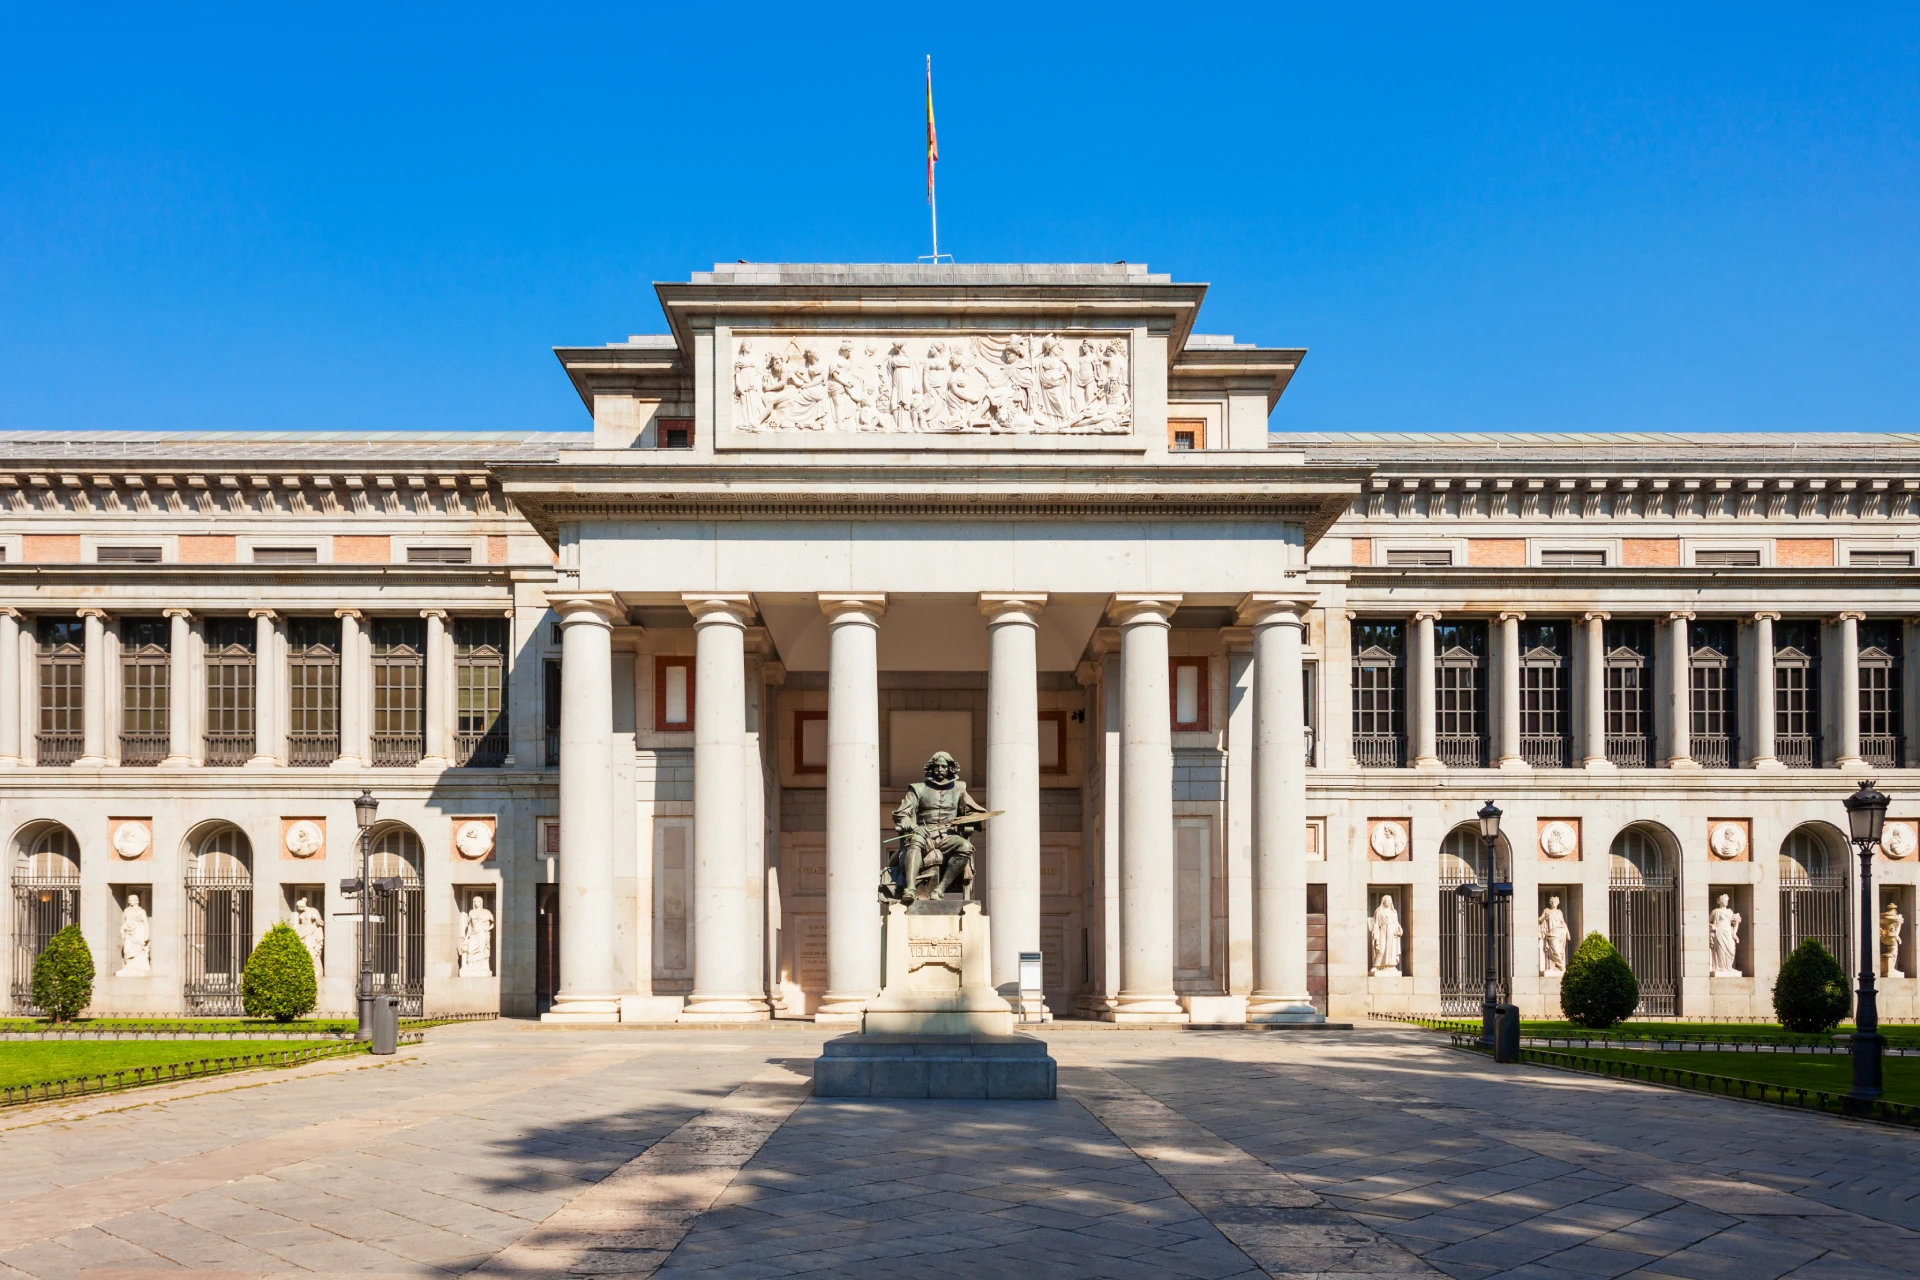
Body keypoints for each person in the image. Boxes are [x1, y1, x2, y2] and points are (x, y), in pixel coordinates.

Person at [883, 751, 989, 903]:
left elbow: (974, 811)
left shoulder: (959, 789)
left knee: (966, 847)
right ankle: (910, 889)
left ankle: (940, 889)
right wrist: (914, 827)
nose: (940, 770)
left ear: (950, 768)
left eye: (944, 767)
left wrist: (969, 820)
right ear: (931, 768)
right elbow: (901, 814)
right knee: (915, 841)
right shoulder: (918, 789)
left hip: (948, 836)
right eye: (937, 766)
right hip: (924, 833)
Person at [1708, 894, 1743, 976]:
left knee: (1731, 949)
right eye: (1724, 900)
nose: (1726, 902)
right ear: (1719, 901)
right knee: (1721, 950)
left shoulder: (1730, 911)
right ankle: (1721, 967)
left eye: (1727, 900)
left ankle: (1729, 967)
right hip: (1719, 932)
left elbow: (1734, 923)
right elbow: (1707, 921)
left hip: (1728, 932)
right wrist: (1712, 925)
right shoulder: (1715, 911)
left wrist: (1736, 926)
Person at [1370, 894, 1403, 975]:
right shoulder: (1379, 911)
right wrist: (1376, 933)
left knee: (1391, 949)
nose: (1388, 902)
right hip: (1383, 931)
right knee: (1381, 949)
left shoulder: (1394, 912)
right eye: (1386, 901)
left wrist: (1399, 930)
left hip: (1392, 933)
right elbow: (1376, 924)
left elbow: (1397, 923)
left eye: (1389, 901)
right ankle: (1377, 966)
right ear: (1383, 902)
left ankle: (1390, 966)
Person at [1538, 895, 1570, 976]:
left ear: (1558, 903)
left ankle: (1557, 967)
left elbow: (1563, 923)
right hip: (1552, 933)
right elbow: (1539, 919)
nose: (1553, 903)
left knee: (1560, 951)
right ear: (1550, 903)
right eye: (1552, 902)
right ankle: (1562, 967)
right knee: (1556, 951)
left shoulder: (1560, 912)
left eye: (1555, 902)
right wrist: (1544, 917)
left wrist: (1567, 933)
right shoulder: (1547, 910)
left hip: (1561, 932)